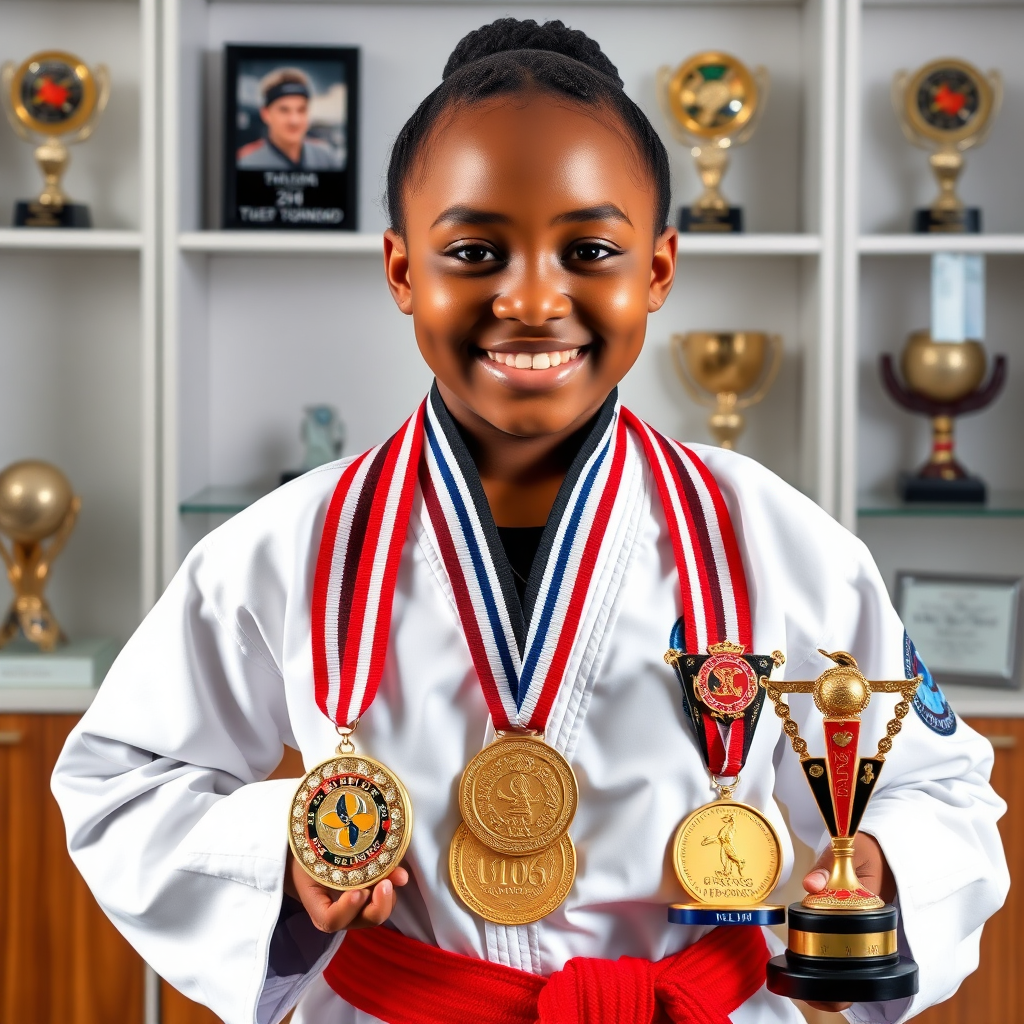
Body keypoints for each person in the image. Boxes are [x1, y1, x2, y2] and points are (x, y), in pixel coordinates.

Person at [52, 19, 1007, 1024]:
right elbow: (120, 782)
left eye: (589, 249)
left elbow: (940, 787)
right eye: (473, 250)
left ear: (658, 270)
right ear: (401, 269)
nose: (532, 297)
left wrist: (880, 874)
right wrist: (281, 859)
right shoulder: (291, 544)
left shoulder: (774, 538)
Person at [237, 67, 343, 171]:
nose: (294, 120)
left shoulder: (326, 157)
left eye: (301, 110)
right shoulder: (246, 161)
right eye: (284, 110)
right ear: (266, 114)